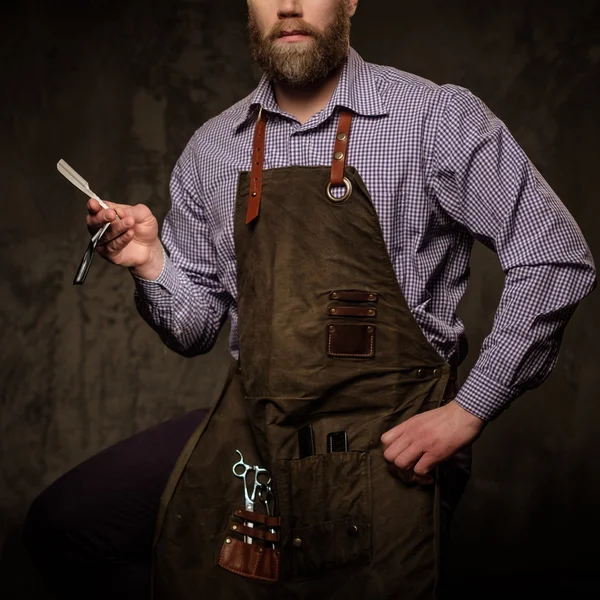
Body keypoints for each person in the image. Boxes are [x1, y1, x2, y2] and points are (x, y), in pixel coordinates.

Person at [24, 1, 595, 599]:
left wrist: (468, 410)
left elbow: (553, 256)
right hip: (258, 431)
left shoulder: (434, 117)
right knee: (66, 529)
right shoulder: (214, 148)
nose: (289, 4)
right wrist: (150, 261)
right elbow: (193, 329)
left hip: (386, 443)